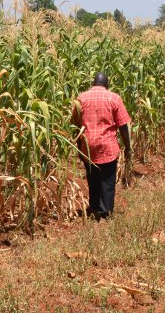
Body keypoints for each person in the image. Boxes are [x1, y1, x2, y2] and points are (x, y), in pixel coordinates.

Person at [71, 72, 132, 219]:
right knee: (107, 180)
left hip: (88, 146)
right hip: (107, 146)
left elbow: (75, 126)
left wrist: (79, 147)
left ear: (93, 83)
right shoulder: (114, 98)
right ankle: (105, 212)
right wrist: (128, 147)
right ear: (107, 85)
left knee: (92, 179)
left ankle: (94, 208)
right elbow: (123, 126)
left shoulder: (81, 98)